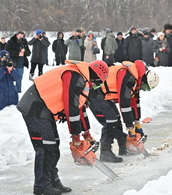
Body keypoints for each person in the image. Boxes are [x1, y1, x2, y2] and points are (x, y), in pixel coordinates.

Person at [16, 60, 109, 195]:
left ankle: (52, 181)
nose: (97, 86)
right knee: (46, 147)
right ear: (95, 76)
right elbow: (71, 107)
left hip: (44, 109)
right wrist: (75, 136)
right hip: (35, 107)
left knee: (53, 146)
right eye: (99, 83)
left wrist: (86, 133)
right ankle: (42, 185)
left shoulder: (82, 80)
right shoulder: (75, 77)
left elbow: (79, 108)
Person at [89, 60, 159, 162]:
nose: (143, 89)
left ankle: (123, 147)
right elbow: (125, 104)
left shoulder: (136, 78)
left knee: (116, 118)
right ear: (144, 79)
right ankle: (105, 152)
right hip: (95, 92)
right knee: (110, 121)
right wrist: (130, 129)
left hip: (104, 95)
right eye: (144, 87)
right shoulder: (128, 76)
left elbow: (135, 102)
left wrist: (137, 124)